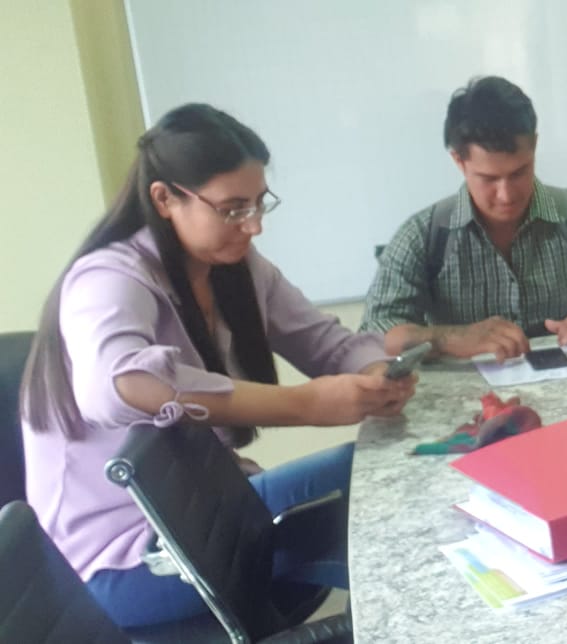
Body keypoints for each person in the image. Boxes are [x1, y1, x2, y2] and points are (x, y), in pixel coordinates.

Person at [19, 103, 417, 628]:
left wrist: (373, 372)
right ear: (165, 199)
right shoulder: (108, 278)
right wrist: (303, 404)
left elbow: (325, 342)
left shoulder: (236, 267)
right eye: (232, 209)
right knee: (362, 485)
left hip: (210, 510)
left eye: (259, 203)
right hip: (120, 561)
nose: (253, 225)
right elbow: (113, 387)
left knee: (384, 478)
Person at [362, 76, 567, 360]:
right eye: (489, 179)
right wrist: (452, 338)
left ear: (534, 147)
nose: (506, 195)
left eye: (519, 172)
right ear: (459, 161)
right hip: (465, 401)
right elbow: (374, 334)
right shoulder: (425, 234)